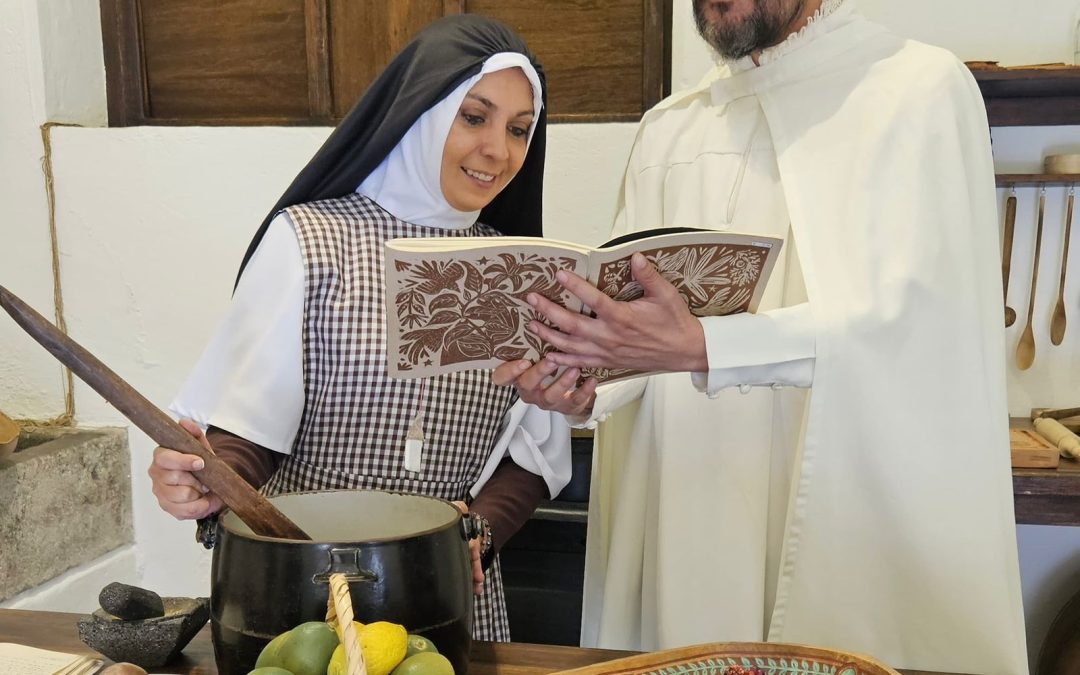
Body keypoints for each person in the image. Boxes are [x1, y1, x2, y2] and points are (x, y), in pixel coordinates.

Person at [494, 0, 1027, 672]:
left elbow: (914, 322)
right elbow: (629, 325)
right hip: (689, 516)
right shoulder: (671, 128)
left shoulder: (917, 91)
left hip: (848, 524)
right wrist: (581, 384)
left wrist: (703, 347)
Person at [148, 14, 570, 642]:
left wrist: (476, 534)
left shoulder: (515, 268)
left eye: (518, 130)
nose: (498, 151)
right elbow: (251, 428)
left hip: (447, 590)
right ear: (422, 110)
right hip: (302, 588)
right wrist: (209, 479)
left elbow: (534, 454)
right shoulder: (310, 242)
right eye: (474, 117)